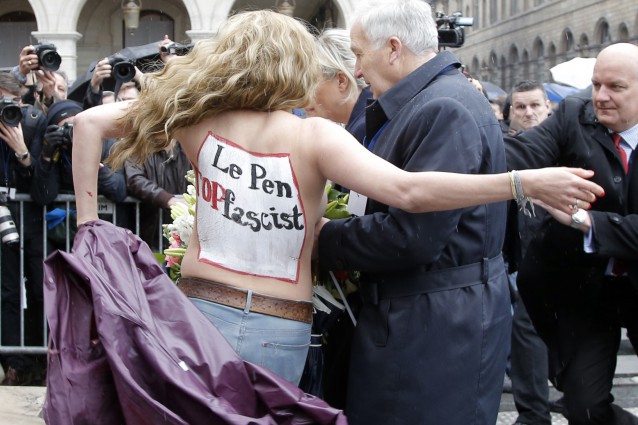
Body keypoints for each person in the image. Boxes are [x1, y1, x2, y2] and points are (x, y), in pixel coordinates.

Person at [70, 9, 602, 388]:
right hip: (282, 325)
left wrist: (89, 228)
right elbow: (410, 191)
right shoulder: (315, 137)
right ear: (294, 66)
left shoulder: (194, 121)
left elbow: (89, 124)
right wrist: (519, 183)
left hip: (199, 308)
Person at [313, 1, 513, 423]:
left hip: (435, 325)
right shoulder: (422, 102)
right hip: (418, 315)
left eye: (359, 55)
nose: (358, 71)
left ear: (392, 48)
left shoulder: (443, 107)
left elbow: (414, 236)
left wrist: (323, 238)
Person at [505, 42, 638, 425]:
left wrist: (588, 222)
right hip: (586, 288)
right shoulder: (574, 116)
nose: (600, 96)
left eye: (615, 87)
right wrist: (465, 138)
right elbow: (520, 156)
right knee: (581, 404)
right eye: (595, 84)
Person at [504, 80, 555, 425]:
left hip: (564, 255)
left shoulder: (565, 144)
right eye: (520, 107)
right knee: (526, 332)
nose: (529, 112)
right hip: (518, 259)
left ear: (548, 108)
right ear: (510, 114)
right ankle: (534, 413)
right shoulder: (505, 149)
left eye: (535, 105)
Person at [0, 73, 47, 385]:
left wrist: (22, 150)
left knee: (40, 287)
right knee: (8, 291)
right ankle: (12, 362)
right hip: (4, 219)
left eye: (13, 102)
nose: (8, 109)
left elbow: (42, 182)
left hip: (28, 218)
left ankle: (39, 359)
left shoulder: (30, 125)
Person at [305, 28, 372, 144]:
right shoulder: (367, 118)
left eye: (310, 82)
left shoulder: (365, 129)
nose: (304, 94)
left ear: (341, 81)